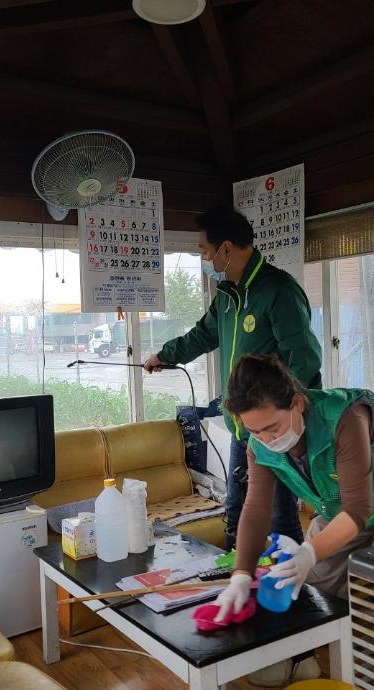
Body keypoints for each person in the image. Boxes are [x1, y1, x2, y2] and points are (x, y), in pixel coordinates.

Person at [143, 205, 321, 549]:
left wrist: (285, 417)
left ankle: (292, 593)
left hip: (274, 432)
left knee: (279, 519)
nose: (205, 258)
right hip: (243, 431)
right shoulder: (227, 296)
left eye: (205, 250)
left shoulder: (278, 291)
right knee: (237, 516)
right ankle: (236, 586)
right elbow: (202, 336)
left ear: (226, 249)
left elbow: (306, 358)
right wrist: (165, 356)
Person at [214, 352, 374, 622]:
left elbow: (357, 511)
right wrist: (241, 575)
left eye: (272, 427)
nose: (265, 439)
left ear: (297, 403)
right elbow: (255, 511)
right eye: (254, 431)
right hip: (347, 498)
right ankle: (330, 655)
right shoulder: (259, 449)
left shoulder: (345, 419)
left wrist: (308, 552)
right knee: (314, 582)